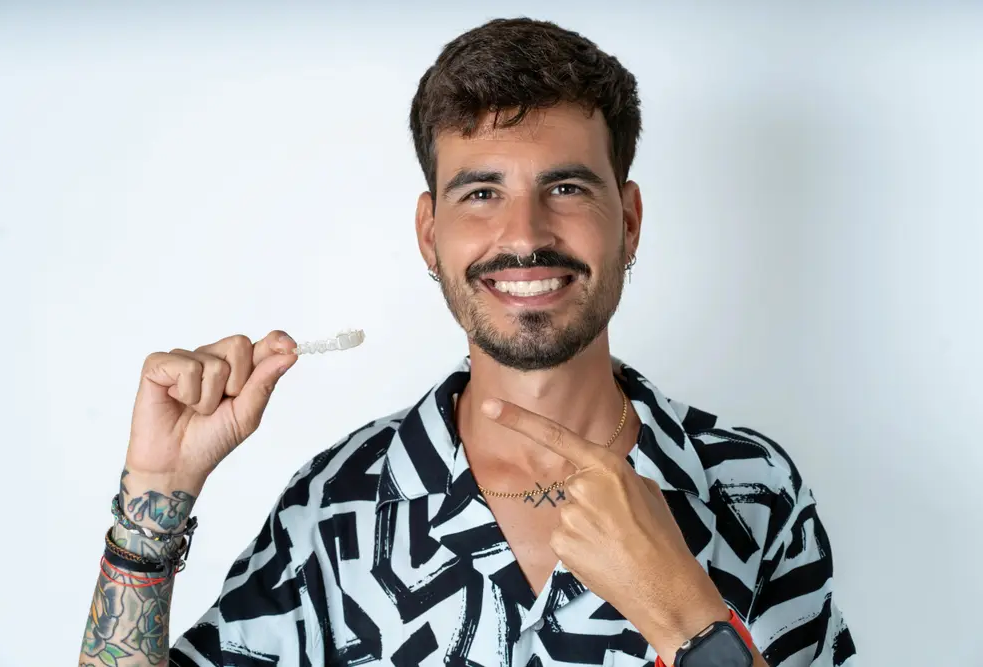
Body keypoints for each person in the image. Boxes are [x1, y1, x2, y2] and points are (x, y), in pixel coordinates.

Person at [78, 17, 856, 667]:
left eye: (566, 187)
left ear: (629, 222)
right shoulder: (335, 507)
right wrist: (156, 496)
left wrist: (689, 620)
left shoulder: (752, 491)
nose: (524, 234)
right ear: (429, 234)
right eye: (482, 193)